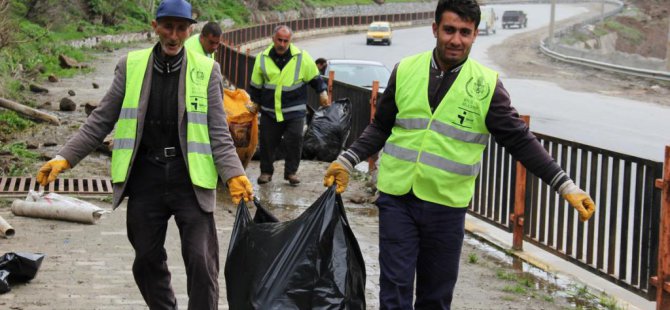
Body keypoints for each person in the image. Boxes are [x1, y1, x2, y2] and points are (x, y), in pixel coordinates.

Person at [323, 0, 596, 308]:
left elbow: (519, 140)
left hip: (446, 207)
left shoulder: (487, 86)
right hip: (398, 199)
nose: (456, 39)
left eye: (465, 32)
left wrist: (566, 186)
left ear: (475, 34)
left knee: (436, 296)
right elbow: (381, 126)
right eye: (449, 30)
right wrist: (347, 159)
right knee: (394, 289)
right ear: (435, 29)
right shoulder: (406, 70)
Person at [35, 0, 253, 309]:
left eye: (180, 28)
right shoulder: (131, 65)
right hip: (146, 177)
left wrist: (235, 174)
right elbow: (101, 119)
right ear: (155, 27)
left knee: (202, 263)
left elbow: (218, 132)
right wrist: (64, 158)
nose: (174, 36)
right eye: (167, 27)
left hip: (189, 179)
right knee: (146, 261)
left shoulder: (207, 70)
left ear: (189, 30)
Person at [248, 25, 329, 186]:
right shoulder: (262, 58)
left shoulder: (301, 57)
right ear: (273, 38)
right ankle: (266, 172)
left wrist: (322, 93)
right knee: (267, 142)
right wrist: (255, 103)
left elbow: (315, 77)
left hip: (295, 111)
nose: (282, 44)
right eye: (279, 40)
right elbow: (256, 84)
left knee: (295, 140)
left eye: (286, 41)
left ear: (290, 41)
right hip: (270, 111)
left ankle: (291, 172)